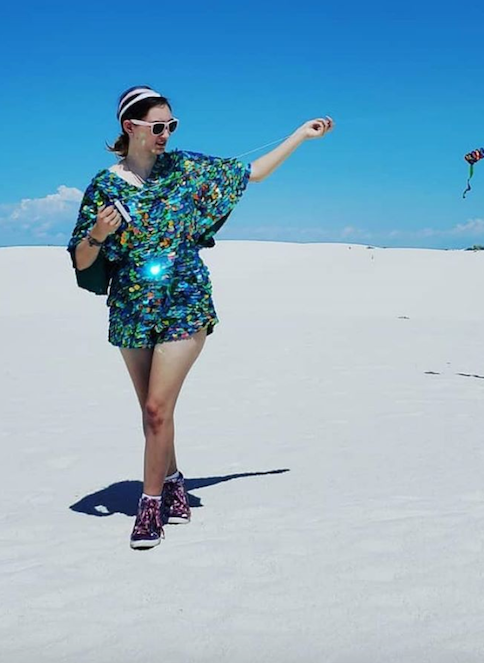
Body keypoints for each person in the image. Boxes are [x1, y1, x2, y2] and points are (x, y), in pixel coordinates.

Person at [68, 85, 334, 549]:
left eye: (172, 125)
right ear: (130, 127)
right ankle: (171, 481)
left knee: (156, 409)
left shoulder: (186, 168)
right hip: (131, 308)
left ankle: (150, 507)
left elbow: (251, 174)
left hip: (185, 301)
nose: (166, 134)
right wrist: (96, 233)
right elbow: (81, 261)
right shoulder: (105, 186)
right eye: (157, 127)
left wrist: (299, 136)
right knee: (154, 414)